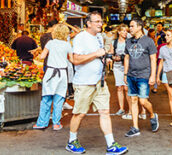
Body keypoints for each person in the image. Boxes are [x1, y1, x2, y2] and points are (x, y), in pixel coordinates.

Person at [66, 12, 127, 154]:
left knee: (105, 112)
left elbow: (99, 54)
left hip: (99, 82)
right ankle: (71, 141)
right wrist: (95, 54)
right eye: (97, 21)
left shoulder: (99, 37)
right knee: (79, 114)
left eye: (101, 21)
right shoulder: (81, 38)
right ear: (88, 23)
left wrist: (105, 59)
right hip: (84, 83)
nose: (100, 24)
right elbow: (75, 60)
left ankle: (111, 144)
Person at [123, 17, 159, 137]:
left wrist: (153, 75)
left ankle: (153, 115)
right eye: (130, 26)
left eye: (132, 26)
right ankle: (135, 127)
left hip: (144, 75)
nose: (130, 28)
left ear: (139, 27)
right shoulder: (128, 42)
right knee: (133, 100)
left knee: (143, 101)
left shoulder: (148, 41)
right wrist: (125, 73)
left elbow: (153, 59)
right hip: (131, 75)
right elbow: (127, 58)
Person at [34, 23, 73, 130]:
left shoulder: (50, 43)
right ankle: (56, 123)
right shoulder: (68, 45)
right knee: (59, 98)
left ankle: (41, 123)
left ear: (55, 32)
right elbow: (72, 60)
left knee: (46, 98)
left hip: (50, 73)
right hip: (62, 74)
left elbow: (42, 56)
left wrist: (36, 56)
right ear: (66, 33)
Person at [109, 24, 132, 117]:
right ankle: (121, 108)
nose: (125, 33)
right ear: (119, 32)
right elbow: (111, 53)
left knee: (127, 88)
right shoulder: (114, 42)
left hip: (128, 67)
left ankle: (131, 109)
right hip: (117, 67)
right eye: (123, 31)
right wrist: (113, 57)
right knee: (119, 88)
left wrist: (123, 58)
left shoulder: (129, 42)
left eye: (126, 31)